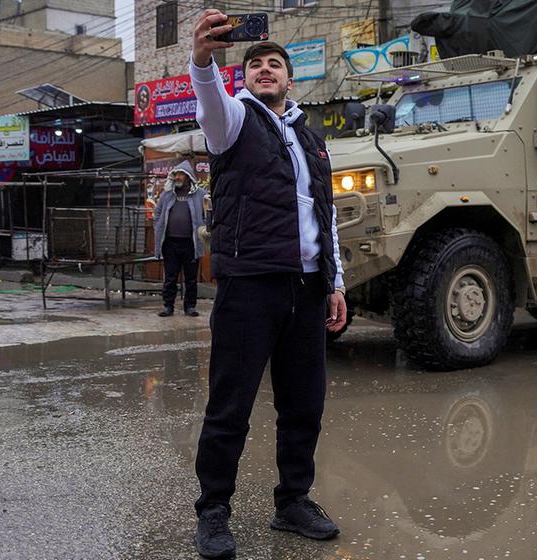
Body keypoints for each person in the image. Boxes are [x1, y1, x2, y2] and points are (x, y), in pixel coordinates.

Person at [189, 9, 348, 559]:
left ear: (289, 77)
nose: (265, 69)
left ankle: (292, 502)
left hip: (306, 289)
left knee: (304, 403)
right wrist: (203, 58)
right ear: (244, 76)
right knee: (230, 404)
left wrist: (335, 282)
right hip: (250, 285)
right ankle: (213, 511)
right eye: (256, 63)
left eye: (275, 64)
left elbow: (324, 214)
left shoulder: (311, 137)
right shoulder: (233, 121)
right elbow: (208, 97)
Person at [153, 160, 207, 317]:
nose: (177, 177)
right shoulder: (167, 195)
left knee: (191, 278)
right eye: (175, 174)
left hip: (191, 243)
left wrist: (204, 230)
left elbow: (208, 213)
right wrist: (158, 227)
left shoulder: (200, 195)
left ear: (188, 176)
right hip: (170, 243)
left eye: (180, 174)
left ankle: (190, 307)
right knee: (170, 277)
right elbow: (158, 213)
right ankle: (168, 306)